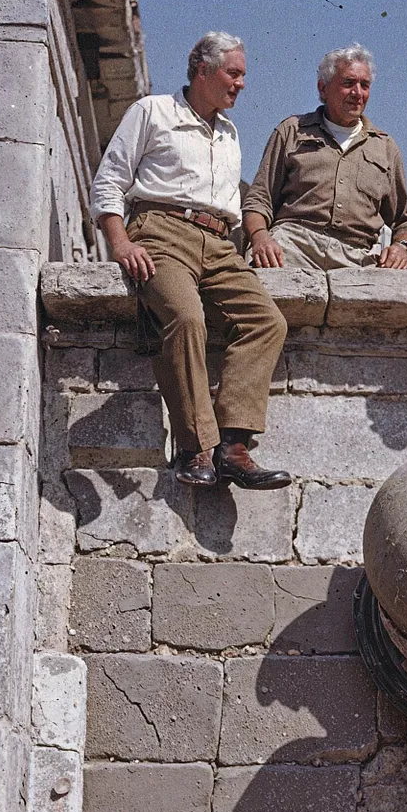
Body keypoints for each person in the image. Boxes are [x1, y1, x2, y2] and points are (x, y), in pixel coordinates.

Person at [87, 32, 289, 490]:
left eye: (242, 76)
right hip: (161, 231)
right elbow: (108, 183)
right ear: (202, 70)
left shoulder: (230, 133)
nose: (240, 85)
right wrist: (120, 244)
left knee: (267, 321)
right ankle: (195, 445)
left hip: (220, 242)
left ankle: (233, 447)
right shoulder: (152, 111)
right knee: (184, 316)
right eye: (233, 74)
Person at [245, 47, 407, 272]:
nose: (357, 93)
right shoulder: (291, 131)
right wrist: (260, 239)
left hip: (357, 255)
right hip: (292, 246)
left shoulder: (385, 147)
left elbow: (405, 221)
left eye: (364, 85)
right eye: (348, 83)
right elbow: (259, 200)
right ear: (323, 88)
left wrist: (403, 247)